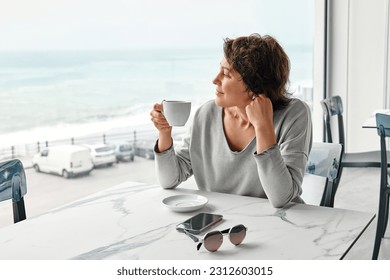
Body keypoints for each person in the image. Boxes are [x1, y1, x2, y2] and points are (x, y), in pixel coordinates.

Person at [150, 34, 312, 208]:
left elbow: (282, 198)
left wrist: (263, 126)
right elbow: (169, 180)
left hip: (279, 225)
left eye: (226, 74)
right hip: (221, 226)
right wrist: (164, 133)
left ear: (253, 86)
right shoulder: (205, 114)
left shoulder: (294, 114)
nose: (215, 79)